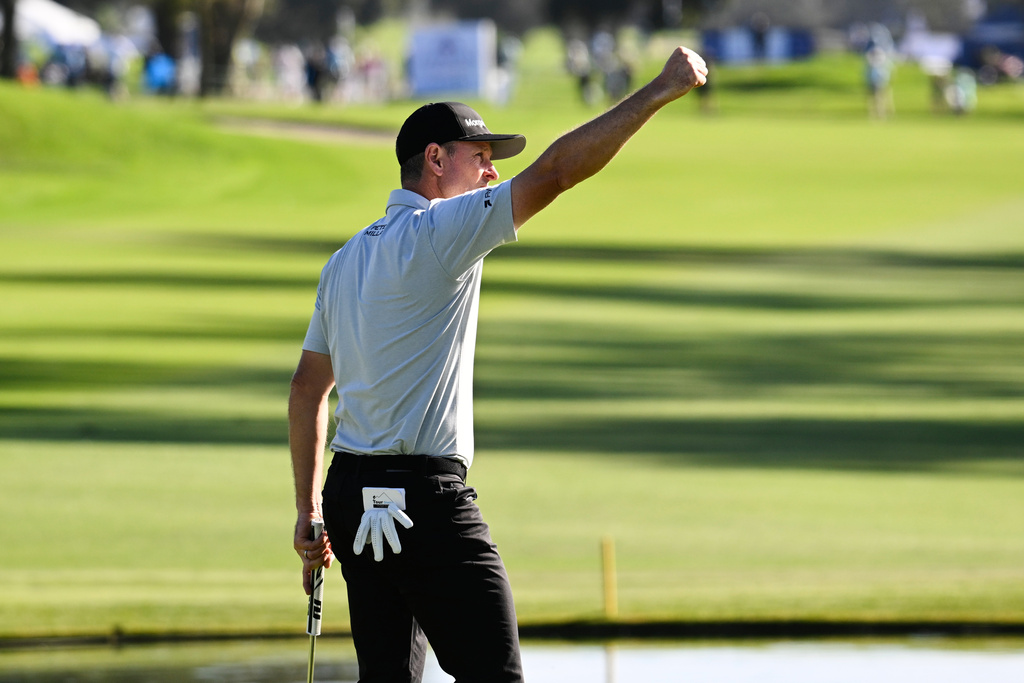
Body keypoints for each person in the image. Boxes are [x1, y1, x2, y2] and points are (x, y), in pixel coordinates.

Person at [290, 45, 707, 683]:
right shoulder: (439, 233)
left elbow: (308, 388)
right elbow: (556, 174)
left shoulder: (344, 260)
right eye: (479, 158)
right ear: (435, 160)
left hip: (350, 495)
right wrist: (658, 90)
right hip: (423, 500)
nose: (490, 174)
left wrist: (309, 511)